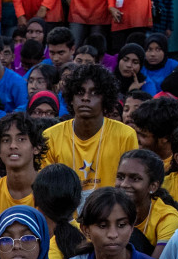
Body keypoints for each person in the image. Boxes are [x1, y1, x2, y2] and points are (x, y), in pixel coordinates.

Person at [43, 64, 137, 198]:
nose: (86, 98)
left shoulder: (125, 135)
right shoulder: (50, 136)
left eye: (94, 93)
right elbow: (48, 192)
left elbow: (129, 188)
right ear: (71, 99)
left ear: (105, 99)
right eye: (80, 92)